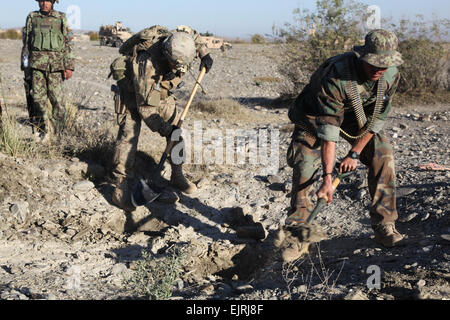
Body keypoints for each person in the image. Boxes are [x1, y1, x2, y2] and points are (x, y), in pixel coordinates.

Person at [282, 29, 405, 261]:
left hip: (355, 121)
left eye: (385, 65)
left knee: (383, 154)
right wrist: (328, 179)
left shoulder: (390, 75)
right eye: (375, 64)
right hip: (313, 117)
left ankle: (384, 225)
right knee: (305, 167)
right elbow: (329, 133)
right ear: (362, 57)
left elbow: (376, 120)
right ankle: (297, 233)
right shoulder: (336, 76)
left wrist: (354, 154)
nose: (380, 69)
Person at [110, 25, 213, 212]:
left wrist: (204, 53)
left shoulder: (182, 40)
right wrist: (166, 129)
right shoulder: (147, 64)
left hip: (160, 91)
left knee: (177, 132)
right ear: (167, 55)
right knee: (128, 138)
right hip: (134, 93)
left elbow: (196, 38)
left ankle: (177, 175)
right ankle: (121, 187)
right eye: (175, 65)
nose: (178, 69)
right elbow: (146, 110)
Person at [21, 0, 74, 142]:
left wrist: (69, 65)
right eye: (42, 1)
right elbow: (26, 44)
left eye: (48, 1)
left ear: (53, 3)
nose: (45, 4)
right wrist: (25, 66)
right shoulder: (32, 17)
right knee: (38, 100)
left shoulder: (61, 17)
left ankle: (58, 133)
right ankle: (43, 132)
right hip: (36, 66)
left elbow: (68, 42)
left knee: (58, 100)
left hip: (56, 67)